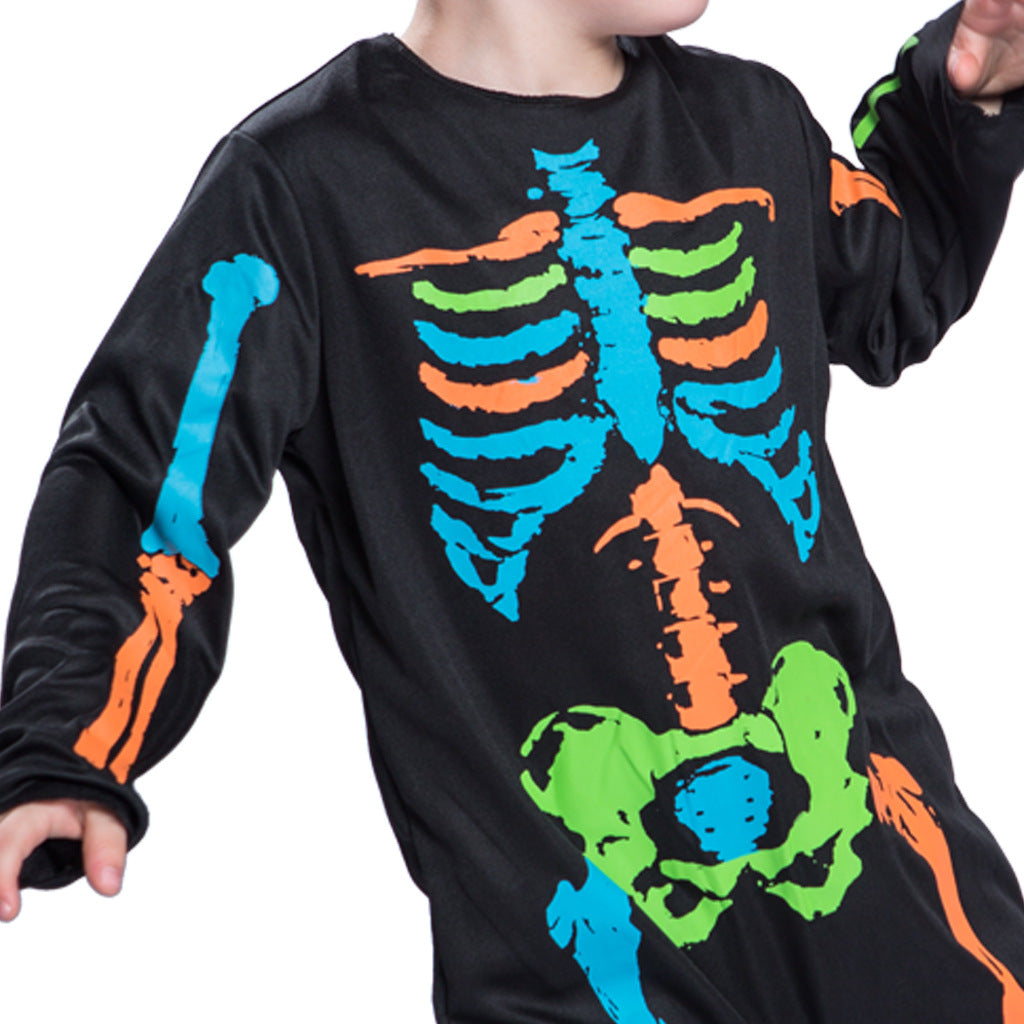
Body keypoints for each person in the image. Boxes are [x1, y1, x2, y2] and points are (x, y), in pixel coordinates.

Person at [1, 0, 1023, 1020]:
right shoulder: (303, 187)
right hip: (584, 944)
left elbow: (893, 288)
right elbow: (144, 475)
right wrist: (67, 738)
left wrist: (966, 97)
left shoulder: (748, 120)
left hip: (886, 877)